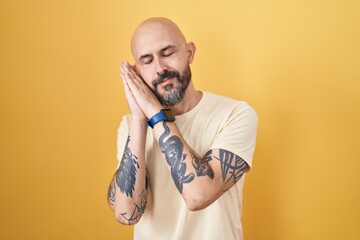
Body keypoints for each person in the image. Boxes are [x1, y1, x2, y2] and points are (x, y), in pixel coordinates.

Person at [107, 17, 258, 240]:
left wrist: (156, 114)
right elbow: (127, 213)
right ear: (136, 71)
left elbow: (198, 195)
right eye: (147, 61)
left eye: (167, 53)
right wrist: (140, 119)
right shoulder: (130, 125)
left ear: (189, 52)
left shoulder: (235, 114)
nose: (160, 68)